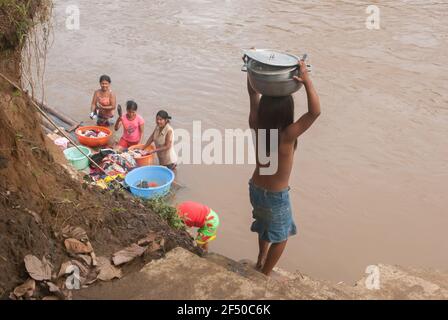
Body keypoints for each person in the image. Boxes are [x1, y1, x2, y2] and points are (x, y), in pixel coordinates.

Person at [247, 59, 321, 276]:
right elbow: (314, 112)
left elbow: (253, 94)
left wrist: (252, 69)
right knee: (282, 236)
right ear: (287, 112)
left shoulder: (257, 126)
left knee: (264, 226)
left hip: (255, 189)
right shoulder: (287, 136)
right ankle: (264, 275)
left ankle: (260, 259)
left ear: (264, 110)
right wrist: (306, 81)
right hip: (275, 196)